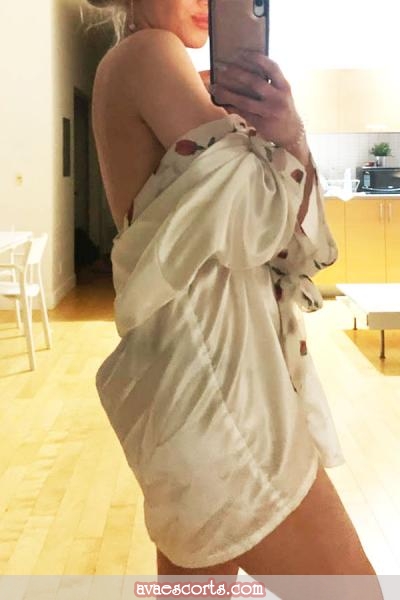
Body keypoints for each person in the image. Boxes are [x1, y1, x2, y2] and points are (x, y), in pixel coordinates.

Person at [88, 0, 384, 596]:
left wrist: (252, 133)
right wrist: (286, 134)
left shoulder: (132, 67)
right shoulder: (151, 51)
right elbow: (269, 227)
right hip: (224, 396)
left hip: (189, 386)